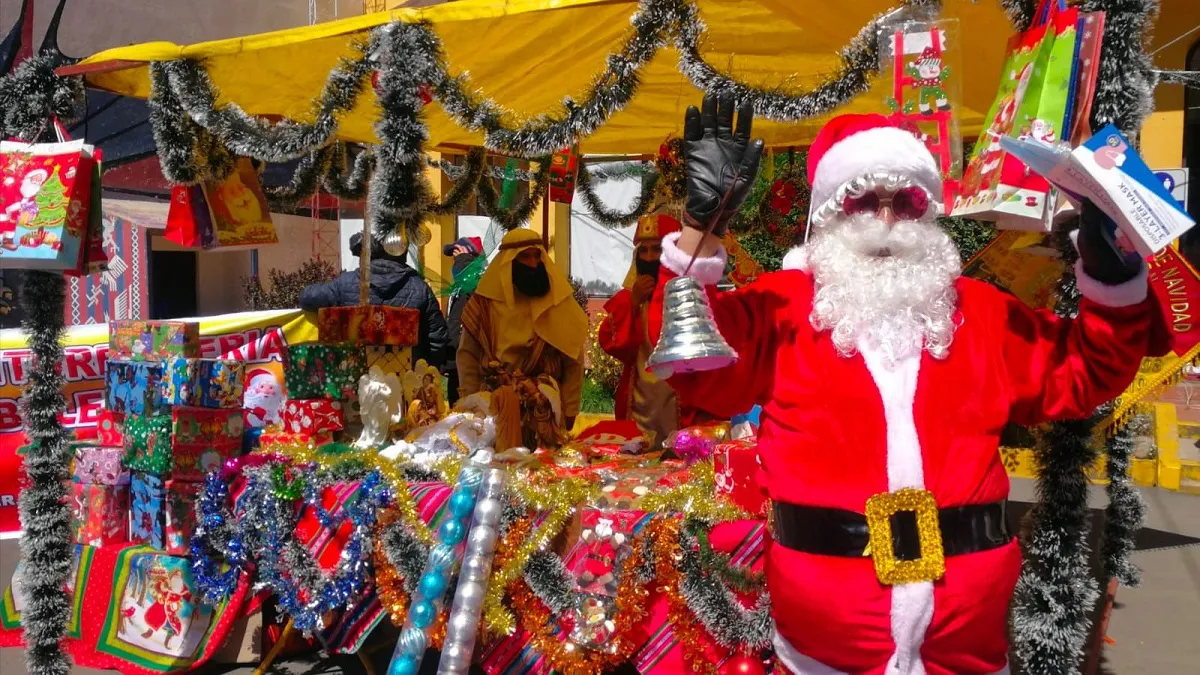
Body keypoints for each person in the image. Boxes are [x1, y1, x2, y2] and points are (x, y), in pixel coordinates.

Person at [648, 95, 1167, 675]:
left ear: (927, 210)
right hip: (829, 635)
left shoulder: (980, 313)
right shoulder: (784, 307)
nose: (887, 216)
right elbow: (691, 363)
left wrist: (1109, 278)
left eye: (907, 199)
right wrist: (700, 229)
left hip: (962, 636)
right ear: (830, 213)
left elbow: (1086, 371)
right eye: (865, 199)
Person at [457, 228, 588, 450]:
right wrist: (471, 402)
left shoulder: (558, 303)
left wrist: (569, 410)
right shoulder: (483, 304)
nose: (533, 263)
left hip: (542, 409)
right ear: (508, 262)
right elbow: (467, 355)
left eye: (537, 256)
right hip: (493, 408)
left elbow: (573, 359)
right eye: (525, 256)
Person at [598, 213, 688, 447]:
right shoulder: (626, 299)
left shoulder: (688, 294)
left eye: (657, 249)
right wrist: (632, 305)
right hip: (638, 401)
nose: (649, 257)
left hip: (682, 400)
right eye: (644, 250)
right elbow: (614, 346)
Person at [299, 232, 449, 368]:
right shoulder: (420, 288)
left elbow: (307, 298)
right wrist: (425, 369)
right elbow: (438, 339)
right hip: (407, 379)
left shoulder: (345, 284)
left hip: (355, 377)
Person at [443, 236, 483, 406]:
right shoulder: (458, 288)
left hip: (470, 362)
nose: (455, 261)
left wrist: (464, 263)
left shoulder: (477, 282)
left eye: (459, 255)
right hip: (454, 361)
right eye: (454, 257)